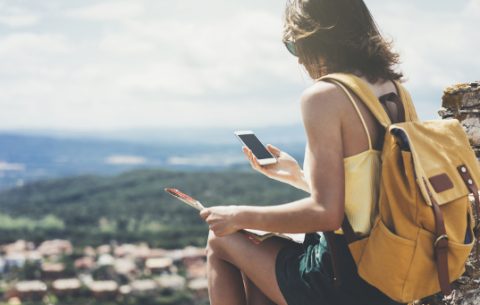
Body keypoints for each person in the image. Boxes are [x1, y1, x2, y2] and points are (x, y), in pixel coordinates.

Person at [199, 0, 411, 304]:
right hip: (393, 267)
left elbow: (325, 214)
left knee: (221, 239)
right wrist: (297, 176)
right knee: (259, 268)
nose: (299, 60)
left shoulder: (324, 96)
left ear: (319, 37)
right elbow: (373, 192)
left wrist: (236, 215)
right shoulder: (393, 90)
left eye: (295, 44)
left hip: (346, 279)